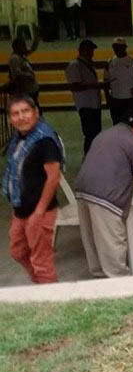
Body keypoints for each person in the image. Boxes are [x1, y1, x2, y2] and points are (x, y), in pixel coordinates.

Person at [74, 109, 133, 278]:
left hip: (83, 189)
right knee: (112, 246)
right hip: (105, 196)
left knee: (93, 242)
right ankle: (121, 285)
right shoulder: (132, 140)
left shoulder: (103, 135)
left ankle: (99, 279)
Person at [2, 95, 64, 284]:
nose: (21, 117)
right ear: (10, 119)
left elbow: (54, 177)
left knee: (41, 262)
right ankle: (41, 287)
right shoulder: (18, 139)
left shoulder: (45, 140)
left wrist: (38, 213)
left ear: (36, 112)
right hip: (21, 210)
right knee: (18, 251)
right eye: (15, 113)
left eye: (25, 111)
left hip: (39, 212)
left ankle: (49, 296)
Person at [65, 38, 102, 155]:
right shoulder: (75, 66)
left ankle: (94, 155)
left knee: (96, 133)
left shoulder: (89, 64)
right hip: (86, 105)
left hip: (93, 104)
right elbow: (74, 86)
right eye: (90, 50)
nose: (92, 53)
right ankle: (89, 156)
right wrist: (93, 86)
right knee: (90, 134)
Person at [104, 37, 133, 125]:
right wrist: (107, 98)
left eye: (119, 47)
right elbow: (106, 82)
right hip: (116, 99)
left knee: (131, 124)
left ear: (125, 47)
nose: (117, 49)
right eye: (115, 47)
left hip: (130, 99)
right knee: (117, 123)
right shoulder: (109, 62)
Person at [8, 37, 39, 108]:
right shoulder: (15, 58)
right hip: (25, 90)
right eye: (23, 45)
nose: (25, 47)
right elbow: (17, 73)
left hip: (30, 90)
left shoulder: (20, 56)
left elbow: (31, 50)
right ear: (17, 47)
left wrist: (36, 39)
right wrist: (29, 76)